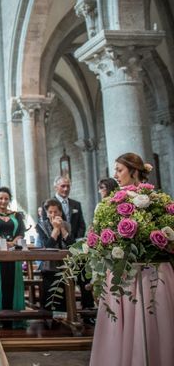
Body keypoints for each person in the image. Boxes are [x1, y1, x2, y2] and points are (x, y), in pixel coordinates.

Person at [91, 152, 174, 366]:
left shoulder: (157, 200)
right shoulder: (111, 203)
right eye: (115, 170)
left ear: (134, 171)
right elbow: (103, 234)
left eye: (120, 170)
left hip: (149, 271)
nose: (116, 175)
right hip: (124, 272)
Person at [53, 175, 92, 308]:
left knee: (84, 275)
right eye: (62, 186)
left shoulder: (76, 204)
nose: (66, 189)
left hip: (76, 246)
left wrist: (76, 241)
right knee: (63, 279)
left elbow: (82, 225)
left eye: (68, 186)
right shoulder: (50, 203)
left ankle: (87, 309)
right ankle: (65, 310)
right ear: (56, 187)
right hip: (59, 247)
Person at [0, 187, 25, 313]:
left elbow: (21, 231)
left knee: (14, 280)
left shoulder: (17, 215)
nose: (3, 201)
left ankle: (15, 315)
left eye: (6, 199)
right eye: (0, 198)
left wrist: (13, 242)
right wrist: (4, 242)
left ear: (9, 200)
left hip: (13, 250)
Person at [35, 198, 74, 312]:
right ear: (46, 214)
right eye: (50, 212)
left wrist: (61, 228)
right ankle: (50, 316)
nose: (53, 214)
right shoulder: (41, 226)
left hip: (65, 264)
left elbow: (71, 244)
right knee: (50, 291)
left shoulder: (67, 225)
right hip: (48, 265)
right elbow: (48, 246)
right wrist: (55, 230)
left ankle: (63, 314)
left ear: (60, 213)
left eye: (56, 212)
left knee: (63, 293)